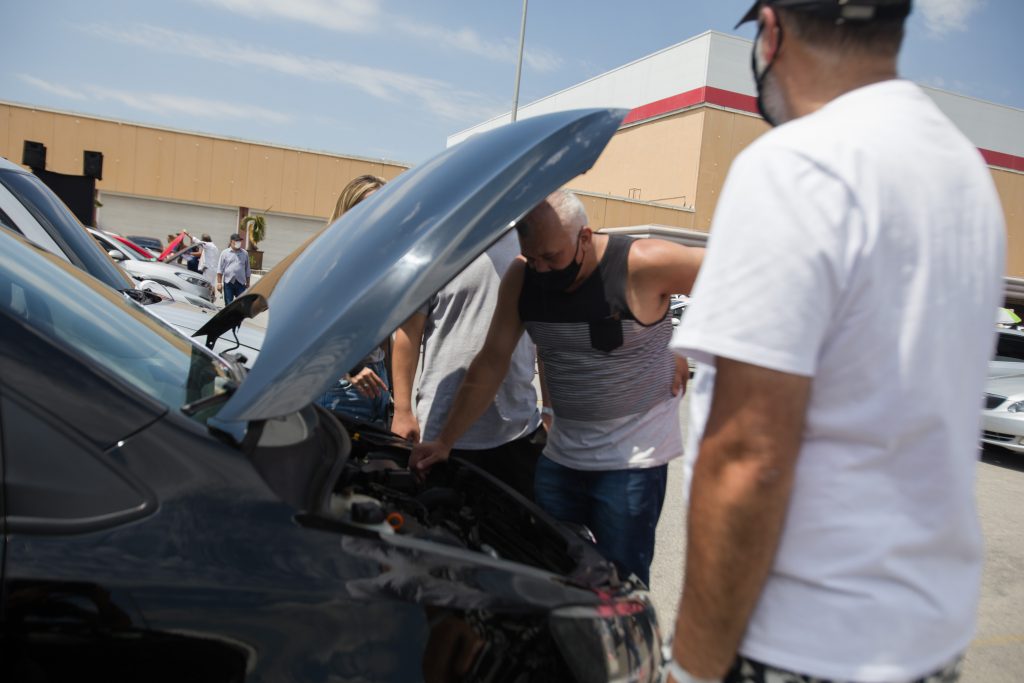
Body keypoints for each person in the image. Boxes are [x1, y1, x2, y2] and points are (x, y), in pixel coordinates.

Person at [666, 2, 1006, 683]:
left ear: (771, 29)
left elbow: (748, 458)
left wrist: (693, 668)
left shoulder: (798, 165)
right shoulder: (965, 173)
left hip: (801, 644)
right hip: (925, 639)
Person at [411, 190, 702, 585]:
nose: (543, 269)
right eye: (533, 258)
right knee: (546, 573)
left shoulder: (641, 263)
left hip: (630, 467)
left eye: (552, 257)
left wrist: (684, 342)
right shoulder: (521, 278)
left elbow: (736, 277)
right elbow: (492, 361)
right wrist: (445, 440)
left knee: (615, 587)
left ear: (585, 237)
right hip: (561, 462)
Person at [391, 229, 544, 500]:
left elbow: (548, 336)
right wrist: (402, 410)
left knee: (515, 538)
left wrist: (551, 413)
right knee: (439, 532)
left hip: (516, 431)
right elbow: (407, 335)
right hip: (439, 433)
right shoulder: (437, 249)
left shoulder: (531, 245)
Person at [315, 175, 391, 427]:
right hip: (343, 384)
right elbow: (317, 323)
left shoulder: (380, 259)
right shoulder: (331, 257)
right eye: (367, 207)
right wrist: (353, 367)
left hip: (377, 377)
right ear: (348, 211)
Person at [216, 232, 250, 306]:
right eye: (236, 241)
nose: (238, 242)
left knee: (241, 304)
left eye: (239, 241)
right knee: (228, 303)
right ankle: (229, 317)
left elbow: (247, 269)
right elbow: (220, 269)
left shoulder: (245, 253)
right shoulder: (224, 253)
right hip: (228, 283)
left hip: (241, 283)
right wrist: (219, 283)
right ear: (231, 241)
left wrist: (248, 283)